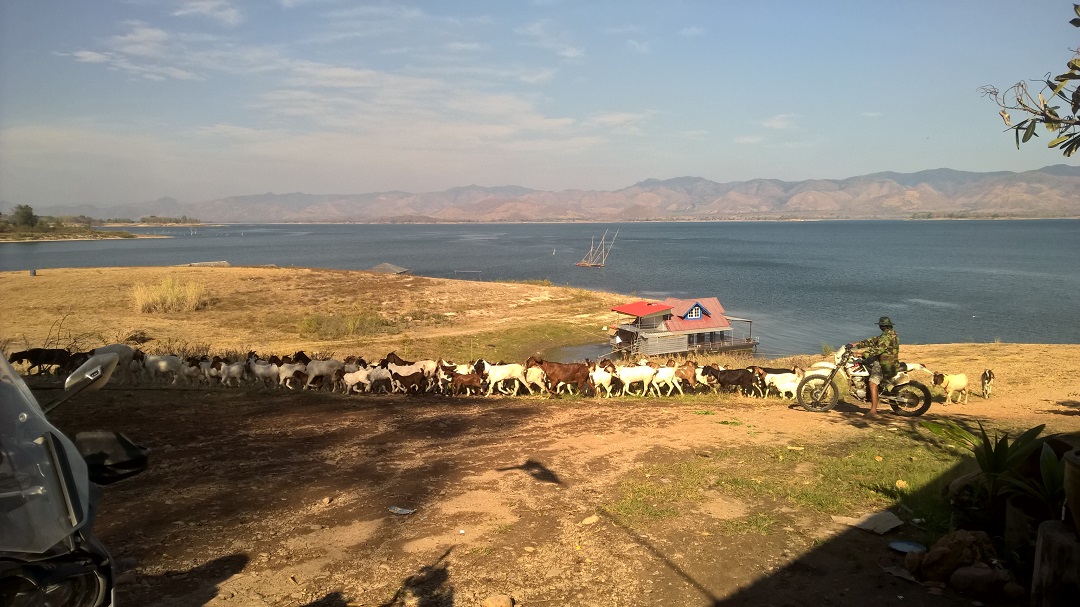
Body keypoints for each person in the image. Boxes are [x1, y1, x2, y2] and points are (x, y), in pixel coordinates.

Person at [849, 316, 899, 417]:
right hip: (886, 360)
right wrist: (857, 344)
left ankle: (873, 410)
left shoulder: (886, 337)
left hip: (885, 363)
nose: (881, 327)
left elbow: (878, 350)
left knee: (873, 383)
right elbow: (874, 340)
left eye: (881, 325)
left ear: (882, 326)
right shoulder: (889, 334)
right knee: (865, 363)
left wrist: (862, 354)